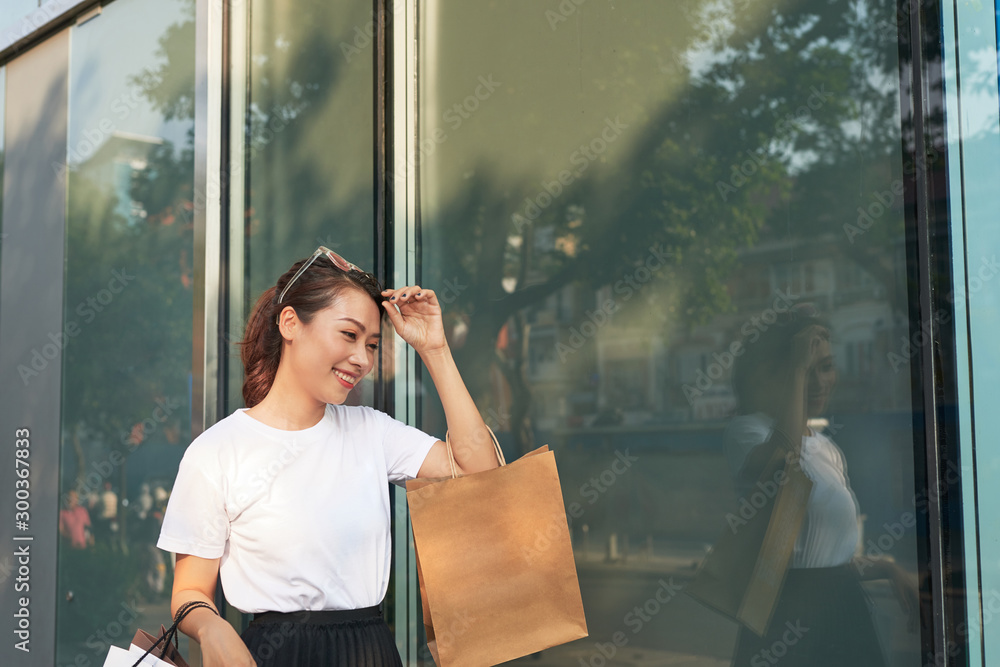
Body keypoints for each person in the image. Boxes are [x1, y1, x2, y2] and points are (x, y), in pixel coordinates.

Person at [156, 246, 500, 666]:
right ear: (290, 323)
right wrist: (212, 628)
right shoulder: (216, 452)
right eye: (349, 335)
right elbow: (189, 590)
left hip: (370, 652)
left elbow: (481, 474)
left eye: (373, 345)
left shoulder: (372, 431)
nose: (362, 359)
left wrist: (435, 350)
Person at [724, 304, 917, 667]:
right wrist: (798, 364)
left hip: (844, 613)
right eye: (803, 371)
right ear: (774, 375)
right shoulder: (747, 432)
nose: (818, 383)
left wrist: (888, 568)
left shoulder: (827, 449)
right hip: (785, 617)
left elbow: (830, 562)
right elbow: (784, 462)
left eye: (826, 367)